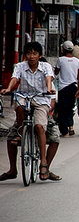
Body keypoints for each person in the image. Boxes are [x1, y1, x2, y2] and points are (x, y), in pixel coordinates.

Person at [0, 42, 61, 181]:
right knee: (11, 135)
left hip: (41, 101)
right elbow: (15, 78)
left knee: (43, 129)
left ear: (40, 55)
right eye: (28, 53)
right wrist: (9, 89)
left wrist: (49, 88)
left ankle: (44, 164)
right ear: (25, 55)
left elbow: (48, 79)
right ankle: (13, 168)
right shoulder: (20, 66)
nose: (31, 56)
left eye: (34, 53)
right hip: (24, 99)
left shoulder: (46, 67)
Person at [55, 41, 79, 137]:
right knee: (70, 108)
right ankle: (71, 126)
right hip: (73, 87)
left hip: (63, 88)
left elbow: (56, 72)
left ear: (63, 49)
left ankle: (64, 131)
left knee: (62, 109)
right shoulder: (77, 61)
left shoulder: (60, 60)